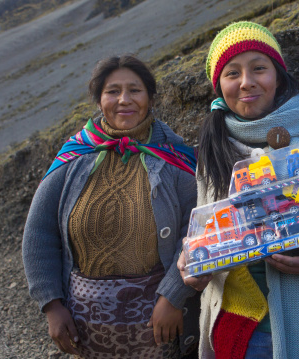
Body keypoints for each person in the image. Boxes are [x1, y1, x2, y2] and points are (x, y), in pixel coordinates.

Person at [177, 21, 299, 359]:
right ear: (218, 86)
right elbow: (207, 228)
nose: (246, 82)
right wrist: (195, 263)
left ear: (278, 75)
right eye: (232, 73)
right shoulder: (212, 151)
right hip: (238, 329)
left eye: (259, 68)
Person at [23, 54, 200, 358]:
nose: (124, 100)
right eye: (112, 91)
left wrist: (172, 298)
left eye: (135, 90)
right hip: (86, 330)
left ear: (151, 98)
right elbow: (39, 233)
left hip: (160, 325)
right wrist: (52, 306)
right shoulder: (73, 158)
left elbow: (197, 233)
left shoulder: (175, 158)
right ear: (99, 100)